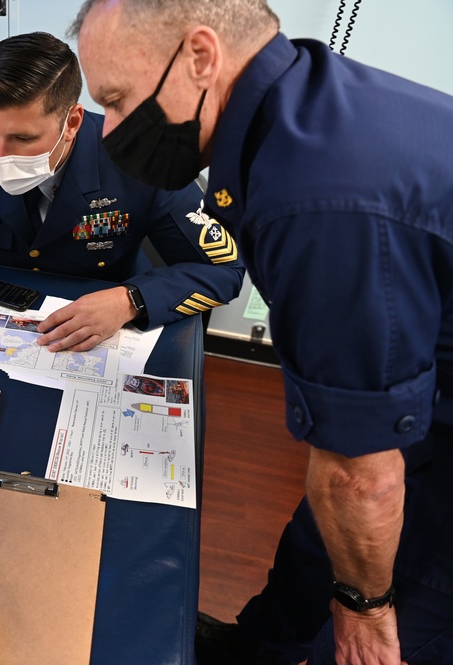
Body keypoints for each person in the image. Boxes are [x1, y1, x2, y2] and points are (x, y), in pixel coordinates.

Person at [73, 1, 453, 664]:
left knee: (383, 626)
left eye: (115, 99)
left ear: (200, 56)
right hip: (405, 409)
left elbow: (362, 475)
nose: (108, 129)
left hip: (425, 453)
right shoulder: (303, 106)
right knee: (313, 551)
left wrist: (364, 608)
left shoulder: (316, 195)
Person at [0, 32, 243, 352]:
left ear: (72, 122)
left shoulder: (143, 157)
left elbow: (223, 270)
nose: (0, 154)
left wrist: (130, 301)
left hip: (101, 304)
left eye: (23, 138)